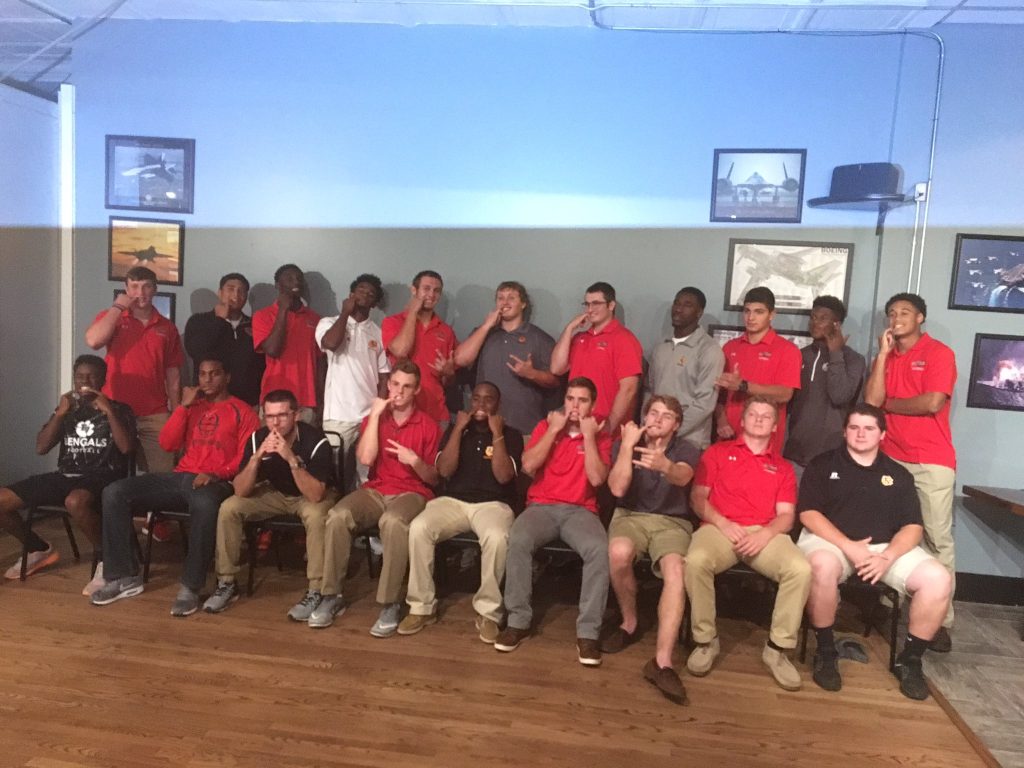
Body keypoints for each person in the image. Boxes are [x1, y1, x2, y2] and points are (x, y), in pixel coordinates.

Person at [798, 404, 953, 700]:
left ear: (882, 434)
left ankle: (910, 661)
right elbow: (808, 514)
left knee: (938, 579)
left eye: (869, 428)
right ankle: (826, 652)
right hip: (831, 542)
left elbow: (913, 527)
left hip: (884, 549)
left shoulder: (899, 475)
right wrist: (849, 547)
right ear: (844, 431)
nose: (861, 434)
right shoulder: (821, 465)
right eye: (854, 427)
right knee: (821, 567)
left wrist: (887, 557)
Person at [91, 357, 259, 616]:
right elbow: (167, 443)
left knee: (204, 504)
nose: (207, 379)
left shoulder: (243, 412)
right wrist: (182, 407)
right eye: (202, 374)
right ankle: (124, 577)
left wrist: (215, 474)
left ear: (227, 377)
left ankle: (191, 586)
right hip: (181, 477)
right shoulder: (192, 407)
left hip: (217, 481)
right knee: (115, 492)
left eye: (214, 373)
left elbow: (246, 459)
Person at [686, 396, 811, 691]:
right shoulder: (717, 453)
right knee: (695, 561)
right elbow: (697, 499)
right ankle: (705, 641)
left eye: (766, 416)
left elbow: (786, 516)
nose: (758, 419)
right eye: (753, 414)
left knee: (801, 569)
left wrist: (765, 534)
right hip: (719, 527)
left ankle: (777, 649)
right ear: (741, 421)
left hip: (763, 533)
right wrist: (723, 523)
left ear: (775, 427)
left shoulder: (782, 468)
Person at [314, 361, 442, 635]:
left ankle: (390, 602)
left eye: (407, 386)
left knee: (393, 522)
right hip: (376, 489)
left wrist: (415, 461)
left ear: (416, 390)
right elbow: (365, 458)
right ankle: (331, 595)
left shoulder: (428, 425)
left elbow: (433, 479)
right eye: (395, 384)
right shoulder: (376, 419)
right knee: (338, 515)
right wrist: (374, 416)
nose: (399, 391)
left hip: (412, 492)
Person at [495, 377, 613, 667]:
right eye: (570, 399)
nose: (574, 406)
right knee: (518, 538)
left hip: (581, 511)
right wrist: (553, 430)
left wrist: (588, 437)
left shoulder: (601, 434)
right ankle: (518, 621)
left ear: (592, 405)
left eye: (582, 400)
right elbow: (528, 465)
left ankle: (588, 633)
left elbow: (597, 478)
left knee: (599, 549)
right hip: (541, 506)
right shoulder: (545, 426)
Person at [396, 382, 524, 642]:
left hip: (494, 504)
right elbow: (444, 470)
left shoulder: (511, 434)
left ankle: (489, 613)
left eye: (488, 399)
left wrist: (496, 433)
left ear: (498, 404)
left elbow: (503, 476)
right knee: (419, 528)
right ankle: (421, 607)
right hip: (453, 501)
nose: (481, 405)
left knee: (497, 538)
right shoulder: (457, 431)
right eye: (476, 399)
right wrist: (457, 429)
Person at [864, 292, 957, 651]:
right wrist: (882, 355)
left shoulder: (939, 353)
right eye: (891, 313)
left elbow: (932, 402)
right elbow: (871, 402)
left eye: (905, 312)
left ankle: (940, 620)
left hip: (930, 460)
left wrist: (889, 405)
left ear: (920, 318)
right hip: (890, 458)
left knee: (935, 538)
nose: (896, 317)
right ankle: (890, 605)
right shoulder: (887, 356)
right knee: (892, 534)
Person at [0, 355, 134, 594]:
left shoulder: (120, 408)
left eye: (91, 377)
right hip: (65, 475)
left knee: (75, 501)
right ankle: (36, 548)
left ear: (103, 379)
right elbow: (41, 448)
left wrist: (109, 412)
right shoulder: (68, 409)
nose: (85, 382)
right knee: (2, 500)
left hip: (103, 475)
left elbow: (126, 448)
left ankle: (109, 560)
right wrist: (60, 414)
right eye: (80, 377)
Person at [204, 389, 338, 619]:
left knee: (316, 516)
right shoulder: (258, 438)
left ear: (296, 415)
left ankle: (317, 590)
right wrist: (256, 458)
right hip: (277, 493)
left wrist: (290, 458)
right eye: (270, 416)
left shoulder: (315, 441)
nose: (275, 422)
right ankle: (227, 583)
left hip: (311, 493)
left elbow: (316, 494)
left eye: (282, 415)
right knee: (229, 508)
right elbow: (240, 490)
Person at [604, 395, 700, 704]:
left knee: (676, 571)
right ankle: (630, 622)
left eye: (666, 416)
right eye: (653, 413)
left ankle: (662, 662)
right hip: (630, 516)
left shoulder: (686, 448)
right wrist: (627, 447)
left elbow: (683, 476)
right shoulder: (624, 444)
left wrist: (664, 465)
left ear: (677, 425)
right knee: (618, 553)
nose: (658, 419)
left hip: (672, 522)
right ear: (644, 417)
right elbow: (617, 488)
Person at [84, 265, 183, 473]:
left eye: (146, 286)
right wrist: (118, 307)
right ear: (126, 289)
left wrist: (176, 411)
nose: (140, 293)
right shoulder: (112, 317)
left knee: (162, 474)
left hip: (155, 412)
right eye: (135, 287)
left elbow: (173, 373)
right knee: (108, 472)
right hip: (114, 409)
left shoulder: (167, 327)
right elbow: (93, 341)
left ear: (155, 289)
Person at [453, 281, 559, 437]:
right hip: (485, 426)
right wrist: (487, 325)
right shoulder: (482, 333)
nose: (505, 302)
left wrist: (532, 374)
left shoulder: (540, 338)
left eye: (511, 298)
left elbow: (555, 382)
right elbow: (460, 360)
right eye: (500, 298)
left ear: (523, 304)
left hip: (525, 427)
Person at [315, 273, 389, 493]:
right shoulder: (328, 323)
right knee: (334, 473)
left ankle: (359, 511)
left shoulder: (378, 332)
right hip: (338, 415)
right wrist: (345, 313)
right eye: (361, 290)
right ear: (351, 294)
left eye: (371, 294)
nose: (365, 295)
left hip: (368, 415)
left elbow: (384, 376)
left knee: (364, 474)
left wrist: (379, 411)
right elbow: (330, 343)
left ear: (374, 303)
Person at [784, 295, 865, 483]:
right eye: (813, 317)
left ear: (836, 324)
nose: (815, 323)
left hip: (832, 457)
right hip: (795, 454)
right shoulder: (799, 355)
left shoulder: (854, 360)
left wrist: (835, 353)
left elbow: (840, 396)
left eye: (822, 318)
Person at [715, 287, 801, 456]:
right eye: (747, 311)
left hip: (765, 442)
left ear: (772, 314)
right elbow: (719, 395)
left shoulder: (788, 350)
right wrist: (721, 420)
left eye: (758, 312)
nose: (751, 317)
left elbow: (785, 394)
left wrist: (744, 386)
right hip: (729, 436)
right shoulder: (730, 347)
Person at [550, 282, 643, 434]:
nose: (590, 309)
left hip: (605, 428)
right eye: (587, 304)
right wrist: (569, 328)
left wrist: (610, 425)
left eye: (596, 304)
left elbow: (629, 388)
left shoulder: (624, 339)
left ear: (611, 305)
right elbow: (556, 368)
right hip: (576, 425)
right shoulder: (580, 338)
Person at [646, 287, 725, 450]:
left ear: (699, 312)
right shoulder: (661, 348)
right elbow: (650, 392)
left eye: (687, 305)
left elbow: (704, 404)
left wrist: (670, 431)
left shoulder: (709, 350)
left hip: (690, 443)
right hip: (656, 440)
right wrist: (649, 426)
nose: (678, 309)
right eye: (676, 303)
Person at [382, 270, 457, 424]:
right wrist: (412, 312)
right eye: (426, 288)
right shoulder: (392, 322)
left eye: (436, 291)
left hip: (435, 413)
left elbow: (447, 381)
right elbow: (400, 351)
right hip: (400, 412)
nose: (431, 295)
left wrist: (449, 374)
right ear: (414, 290)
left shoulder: (446, 331)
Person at [252, 264, 322, 423]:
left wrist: (321, 398)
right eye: (289, 279)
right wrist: (283, 309)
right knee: (272, 440)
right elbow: (272, 350)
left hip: (306, 400)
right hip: (273, 399)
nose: (296, 282)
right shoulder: (263, 316)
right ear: (278, 285)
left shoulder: (315, 319)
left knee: (304, 440)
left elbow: (320, 362)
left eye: (299, 278)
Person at [183, 272, 264, 407]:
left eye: (241, 291)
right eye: (230, 289)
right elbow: (196, 351)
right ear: (220, 293)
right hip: (208, 401)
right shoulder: (198, 321)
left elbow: (261, 363)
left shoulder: (254, 324)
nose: (236, 295)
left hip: (248, 402)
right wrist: (219, 320)